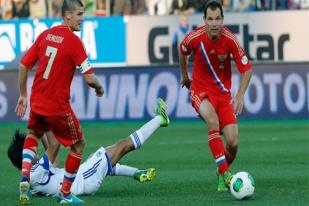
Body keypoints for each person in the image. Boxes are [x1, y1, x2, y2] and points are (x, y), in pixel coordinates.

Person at [14, 0, 104, 204]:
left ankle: (26, 174)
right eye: (79, 14)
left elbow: (23, 65)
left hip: (37, 101)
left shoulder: (45, 35)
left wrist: (23, 95)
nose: (83, 18)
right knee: (79, 145)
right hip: (57, 106)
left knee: (34, 134)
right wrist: (99, 88)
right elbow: (90, 78)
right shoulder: (74, 42)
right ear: (67, 16)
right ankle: (64, 194)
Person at [9, 98, 170, 197]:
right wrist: (46, 117)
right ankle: (160, 119)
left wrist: (40, 127)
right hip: (84, 179)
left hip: (82, 178)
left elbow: (54, 159)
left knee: (103, 156)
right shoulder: (35, 172)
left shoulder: (30, 178)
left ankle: (136, 173)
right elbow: (54, 145)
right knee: (123, 145)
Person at [178, 0, 252, 192]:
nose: (214, 23)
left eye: (217, 19)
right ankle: (226, 173)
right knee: (213, 121)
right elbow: (182, 50)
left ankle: (221, 171)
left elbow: (247, 69)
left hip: (223, 95)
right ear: (204, 20)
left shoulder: (229, 39)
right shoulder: (195, 37)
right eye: (210, 19)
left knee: (233, 143)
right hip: (200, 91)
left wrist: (240, 95)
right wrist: (185, 76)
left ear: (222, 19)